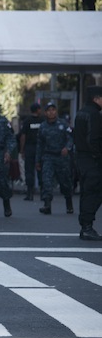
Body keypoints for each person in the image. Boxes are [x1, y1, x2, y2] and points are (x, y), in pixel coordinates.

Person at [73, 86, 102, 241]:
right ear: (96, 98)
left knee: (87, 193)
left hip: (82, 159)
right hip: (92, 160)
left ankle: (85, 226)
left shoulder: (81, 113)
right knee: (94, 192)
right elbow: (93, 139)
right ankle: (87, 227)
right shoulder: (94, 114)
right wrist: (98, 156)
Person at [35, 102, 74, 215]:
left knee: (65, 182)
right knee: (46, 181)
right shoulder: (43, 126)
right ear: (45, 112)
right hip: (48, 157)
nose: (51, 112)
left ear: (56, 112)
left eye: (53, 110)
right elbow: (39, 144)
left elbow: (70, 138)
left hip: (61, 157)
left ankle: (69, 203)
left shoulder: (63, 124)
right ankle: (47, 205)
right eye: (49, 110)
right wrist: (38, 160)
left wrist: (67, 148)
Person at [19, 103, 43, 200]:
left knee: (29, 170)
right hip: (40, 148)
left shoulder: (27, 121)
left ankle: (30, 193)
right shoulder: (43, 121)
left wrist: (22, 150)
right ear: (38, 110)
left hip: (30, 148)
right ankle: (43, 192)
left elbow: (23, 136)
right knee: (41, 170)